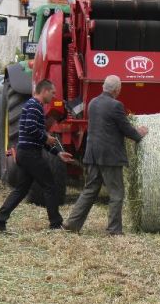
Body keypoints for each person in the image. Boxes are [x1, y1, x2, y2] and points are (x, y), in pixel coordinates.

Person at [63, 75, 148, 236]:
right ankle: (114, 230)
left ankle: (72, 224)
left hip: (93, 154)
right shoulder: (116, 105)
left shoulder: (93, 103)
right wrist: (139, 134)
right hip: (110, 156)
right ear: (117, 90)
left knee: (90, 190)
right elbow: (125, 128)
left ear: (104, 87)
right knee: (116, 193)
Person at [0, 79, 73, 233]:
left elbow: (37, 137)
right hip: (30, 154)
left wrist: (58, 153)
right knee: (50, 185)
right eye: (53, 93)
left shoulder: (34, 106)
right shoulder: (34, 106)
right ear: (45, 91)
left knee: (21, 189)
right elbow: (31, 129)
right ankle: (56, 224)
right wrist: (46, 137)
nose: (54, 96)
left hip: (26, 152)